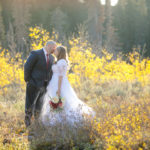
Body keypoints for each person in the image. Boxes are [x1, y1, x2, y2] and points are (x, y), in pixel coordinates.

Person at [41, 46, 94, 126]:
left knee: (60, 101)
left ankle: (61, 121)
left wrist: (59, 89)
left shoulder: (62, 61)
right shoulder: (58, 61)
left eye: (56, 50)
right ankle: (56, 120)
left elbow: (61, 76)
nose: (54, 51)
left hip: (59, 83)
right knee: (55, 101)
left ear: (60, 52)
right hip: (54, 82)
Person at [24, 41, 57, 127]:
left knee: (40, 104)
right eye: (53, 48)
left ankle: (37, 123)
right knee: (30, 103)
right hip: (33, 83)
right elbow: (27, 66)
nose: (54, 50)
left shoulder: (52, 58)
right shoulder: (36, 53)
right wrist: (28, 80)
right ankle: (27, 123)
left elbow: (50, 72)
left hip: (44, 85)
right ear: (48, 45)